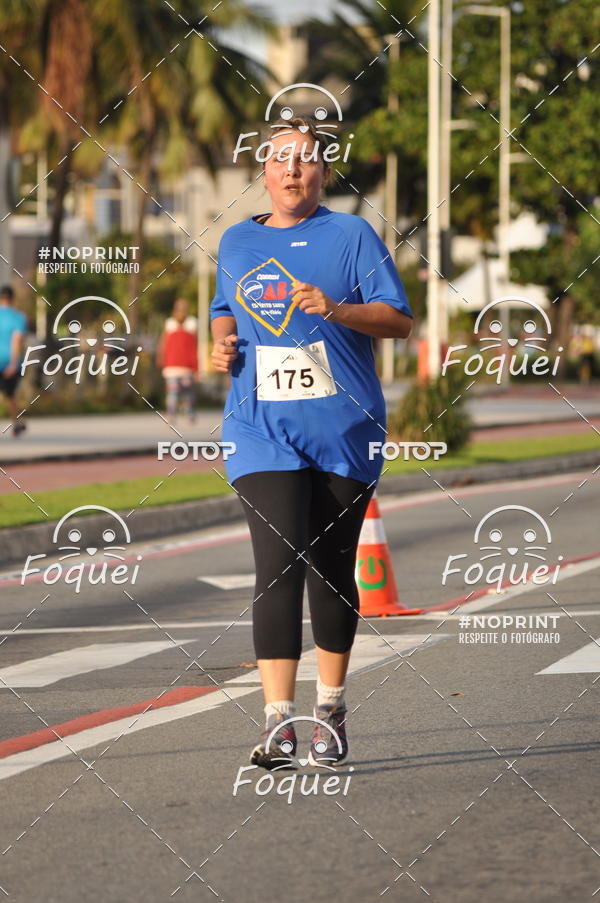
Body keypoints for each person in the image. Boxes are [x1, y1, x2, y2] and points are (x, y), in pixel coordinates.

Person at [210, 118, 412, 770]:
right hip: (259, 429)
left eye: (306, 161)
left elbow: (399, 320)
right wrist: (221, 338)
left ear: (323, 171)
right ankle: (277, 723)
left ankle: (330, 708)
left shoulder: (351, 234)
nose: (293, 171)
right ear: (263, 171)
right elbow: (224, 304)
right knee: (279, 564)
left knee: (331, 572)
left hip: (344, 431)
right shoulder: (237, 241)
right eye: (281, 161)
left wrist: (337, 310)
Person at [157, 298, 199, 423]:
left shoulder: (192, 323)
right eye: (179, 308)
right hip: (172, 366)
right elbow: (163, 343)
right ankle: (171, 414)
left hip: (187, 367)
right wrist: (161, 358)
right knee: (172, 392)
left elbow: (195, 346)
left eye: (183, 308)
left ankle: (189, 413)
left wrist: (196, 367)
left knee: (187, 393)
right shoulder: (169, 323)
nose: (181, 311)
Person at [0, 285, 27, 437]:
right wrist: (13, 363)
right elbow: (16, 340)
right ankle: (16, 424)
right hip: (7, 360)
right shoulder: (18, 317)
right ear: (12, 299)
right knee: (11, 394)